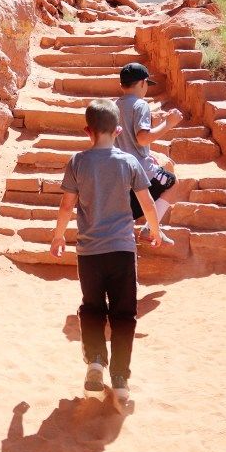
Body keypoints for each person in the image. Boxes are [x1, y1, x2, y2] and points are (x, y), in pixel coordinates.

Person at [50, 98, 161, 404]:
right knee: (124, 314)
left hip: (89, 252)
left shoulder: (78, 162)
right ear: (119, 130)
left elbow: (66, 205)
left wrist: (59, 236)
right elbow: (147, 202)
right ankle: (121, 378)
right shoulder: (129, 162)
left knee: (93, 307)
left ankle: (97, 359)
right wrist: (155, 229)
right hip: (122, 250)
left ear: (88, 131)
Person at [116, 62, 183, 241]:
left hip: (118, 170)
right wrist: (168, 124)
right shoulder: (140, 105)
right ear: (143, 83)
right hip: (139, 171)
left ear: (122, 85)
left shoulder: (114, 106)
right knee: (173, 183)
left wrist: (145, 152)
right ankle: (150, 228)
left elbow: (123, 139)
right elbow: (142, 138)